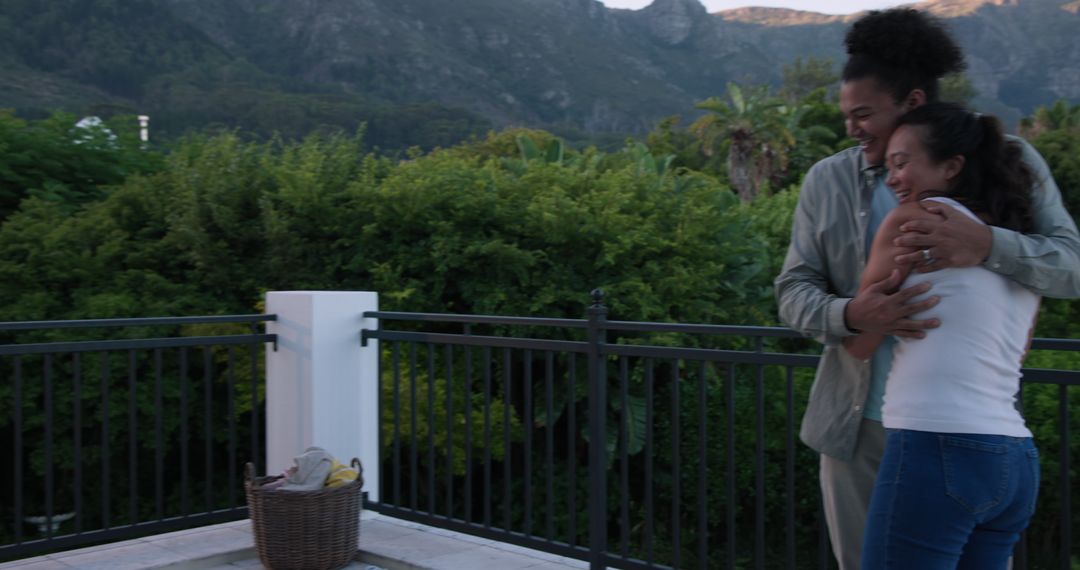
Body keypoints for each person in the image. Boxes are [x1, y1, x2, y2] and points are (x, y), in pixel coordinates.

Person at [773, 8, 1080, 569]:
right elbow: (793, 287)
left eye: (863, 113)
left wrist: (989, 245)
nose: (851, 129)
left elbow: (1072, 265)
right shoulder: (828, 180)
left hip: (967, 431)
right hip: (856, 428)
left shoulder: (1007, 162)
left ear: (912, 102)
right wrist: (851, 314)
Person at [848, 102, 1040, 568]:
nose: (892, 178)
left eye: (901, 163)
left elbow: (859, 342)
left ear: (952, 166)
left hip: (936, 445)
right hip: (1013, 459)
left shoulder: (911, 220)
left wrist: (871, 316)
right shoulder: (1018, 248)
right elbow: (1017, 352)